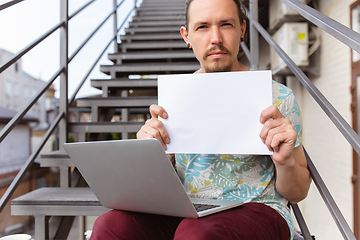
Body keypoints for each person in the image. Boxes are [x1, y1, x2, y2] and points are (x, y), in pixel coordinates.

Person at [90, 0, 311, 239]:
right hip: (188, 211)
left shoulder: (276, 97)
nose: (215, 38)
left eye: (226, 24)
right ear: (187, 36)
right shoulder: (173, 99)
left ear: (242, 29)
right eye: (203, 27)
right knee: (110, 224)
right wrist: (151, 155)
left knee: (196, 233)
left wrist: (285, 161)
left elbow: (298, 192)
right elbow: (161, 188)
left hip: (259, 209)